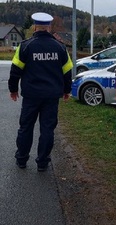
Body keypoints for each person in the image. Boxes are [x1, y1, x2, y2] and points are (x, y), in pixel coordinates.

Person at [8, 12, 73, 172]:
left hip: (31, 96)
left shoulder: (25, 46)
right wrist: (67, 90)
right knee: (47, 129)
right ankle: (43, 162)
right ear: (49, 27)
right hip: (51, 97)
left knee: (26, 127)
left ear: (35, 27)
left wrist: (13, 89)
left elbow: (15, 70)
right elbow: (67, 72)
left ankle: (22, 159)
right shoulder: (60, 48)